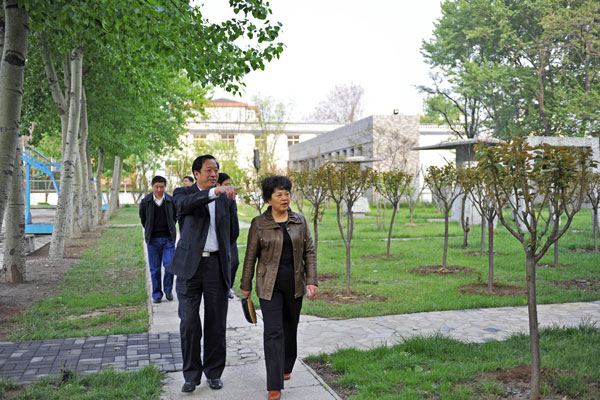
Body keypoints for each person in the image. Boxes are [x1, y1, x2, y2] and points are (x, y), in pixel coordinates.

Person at [240, 175, 318, 400]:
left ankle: (286, 365)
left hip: (294, 284)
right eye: (279, 194)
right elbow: (250, 256)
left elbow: (309, 252)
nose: (285, 198)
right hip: (269, 285)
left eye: (287, 194)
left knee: (290, 327)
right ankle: (274, 385)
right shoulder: (259, 223)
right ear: (268, 199)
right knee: (273, 332)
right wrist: (245, 285)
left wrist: (311, 280)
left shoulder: (300, 220)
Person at [169, 155, 240, 393]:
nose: (214, 174)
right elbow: (183, 207)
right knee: (189, 323)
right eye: (209, 170)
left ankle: (214, 372)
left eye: (216, 170)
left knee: (216, 323)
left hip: (216, 267)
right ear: (196, 173)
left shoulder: (226, 199)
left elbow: (233, 232)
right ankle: (191, 376)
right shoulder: (183, 193)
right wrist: (213, 193)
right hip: (189, 267)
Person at [139, 175, 177, 304]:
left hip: (168, 240)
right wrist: (149, 230)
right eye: (157, 187)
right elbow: (143, 219)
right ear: (152, 187)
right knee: (155, 269)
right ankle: (156, 294)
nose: (159, 190)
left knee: (169, 266)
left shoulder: (171, 201)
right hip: (153, 240)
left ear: (165, 187)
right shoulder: (146, 201)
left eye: (162, 187)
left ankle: (168, 290)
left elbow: (174, 217)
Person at [217, 172, 239, 300]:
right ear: (218, 185)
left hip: (231, 239)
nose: (229, 187)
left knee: (234, 263)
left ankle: (228, 287)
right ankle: (223, 289)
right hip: (221, 240)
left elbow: (234, 219)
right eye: (226, 185)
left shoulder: (230, 198)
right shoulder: (215, 200)